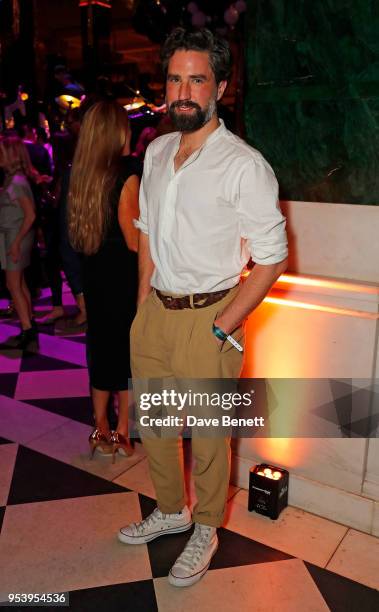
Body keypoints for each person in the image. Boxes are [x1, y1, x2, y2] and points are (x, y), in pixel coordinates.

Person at [118, 28, 288, 587]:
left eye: (197, 78)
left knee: (211, 436)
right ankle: (172, 508)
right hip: (157, 313)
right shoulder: (157, 150)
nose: (183, 90)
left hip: (210, 316)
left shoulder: (244, 166)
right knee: (160, 425)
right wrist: (143, 304)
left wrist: (222, 326)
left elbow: (271, 258)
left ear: (220, 86)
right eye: (174, 78)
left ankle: (207, 526)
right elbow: (146, 235)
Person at [68, 101, 141, 460]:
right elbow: (134, 240)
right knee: (126, 354)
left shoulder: (81, 176)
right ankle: (123, 432)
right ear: (118, 132)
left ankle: (100, 429)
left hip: (95, 276)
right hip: (123, 277)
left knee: (100, 352)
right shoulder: (126, 174)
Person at [0, 136, 37, 349]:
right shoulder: (14, 179)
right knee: (19, 284)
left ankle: (27, 330)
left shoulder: (16, 182)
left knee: (12, 285)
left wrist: (15, 243)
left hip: (15, 237)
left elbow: (30, 215)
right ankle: (28, 326)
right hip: (14, 236)